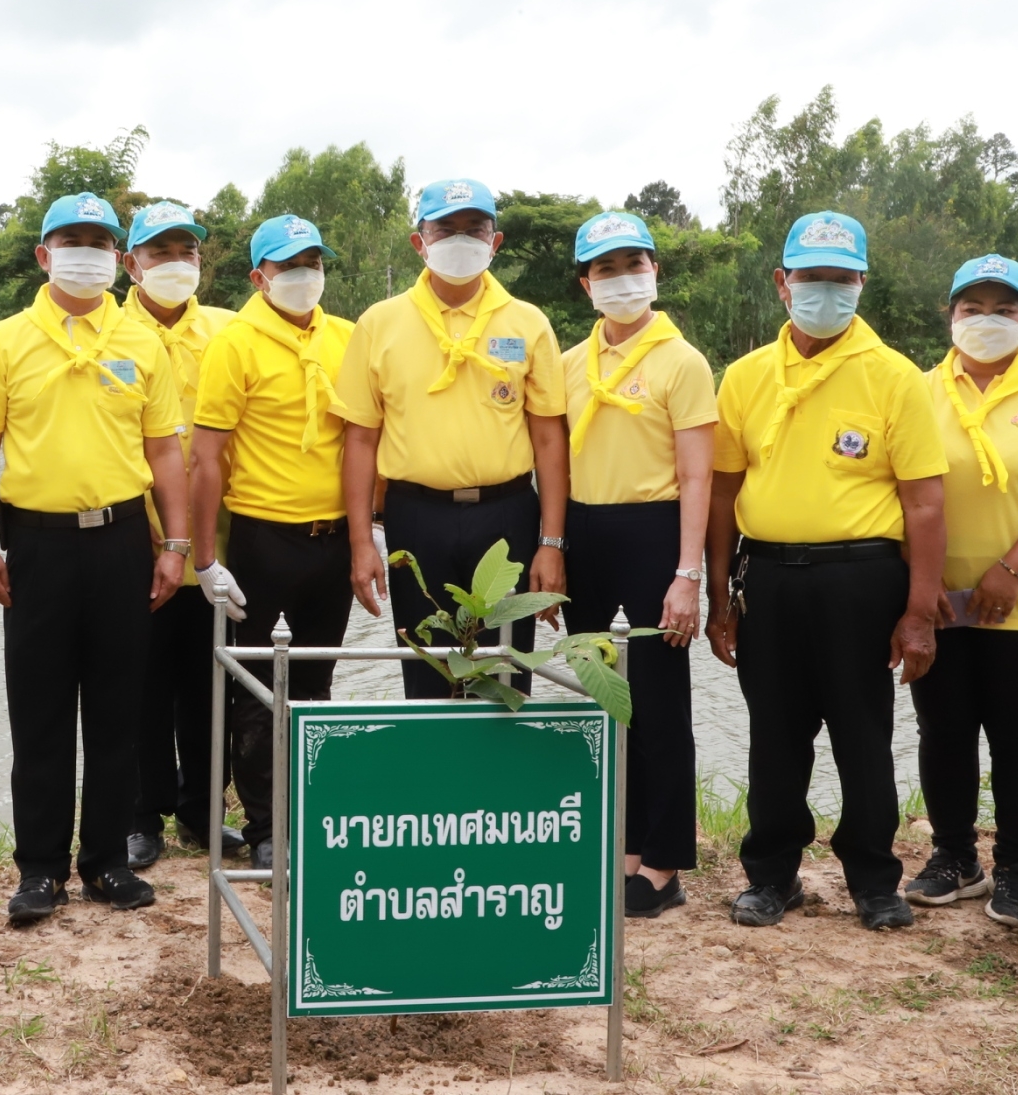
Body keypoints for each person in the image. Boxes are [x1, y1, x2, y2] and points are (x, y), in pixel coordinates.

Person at [704, 210, 947, 932]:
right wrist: (720, 592)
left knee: (862, 732)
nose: (825, 291)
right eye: (811, 277)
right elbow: (721, 490)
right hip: (769, 576)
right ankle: (771, 874)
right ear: (782, 283)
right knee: (774, 733)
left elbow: (925, 503)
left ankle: (874, 878)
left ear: (861, 283)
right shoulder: (746, 376)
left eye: (840, 279)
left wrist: (919, 610)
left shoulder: (894, 377)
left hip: (862, 578)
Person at [0, 191, 190, 922]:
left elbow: (165, 451)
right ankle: (39, 869)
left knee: (119, 710)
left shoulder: (141, 341)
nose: (85, 251)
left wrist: (175, 543)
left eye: (99, 239)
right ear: (43, 253)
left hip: (123, 539)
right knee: (41, 713)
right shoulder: (5, 339)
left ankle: (106, 861)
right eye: (71, 238)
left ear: (121, 257)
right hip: (36, 543)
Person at [904, 254, 1018, 928]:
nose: (987, 320)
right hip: (938, 601)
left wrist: (1009, 570)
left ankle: (1016, 862)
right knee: (944, 728)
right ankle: (955, 855)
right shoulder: (917, 390)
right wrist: (917, 594)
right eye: (972, 307)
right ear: (950, 314)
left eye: (1003, 308)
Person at [335, 179, 569, 696]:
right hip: (415, 520)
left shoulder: (528, 323)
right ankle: (434, 775)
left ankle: (500, 778)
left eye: (474, 228)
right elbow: (359, 441)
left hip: (508, 515)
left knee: (506, 671)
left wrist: (551, 544)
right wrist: (360, 542)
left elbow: (551, 441)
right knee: (427, 672)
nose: (460, 240)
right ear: (419, 241)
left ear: (496, 241)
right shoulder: (379, 323)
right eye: (445, 229)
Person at [559, 210, 716, 920]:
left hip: (655, 531)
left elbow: (696, 476)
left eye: (635, 265)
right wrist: (554, 545)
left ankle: (662, 860)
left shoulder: (681, 361)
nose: (623, 280)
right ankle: (619, 847)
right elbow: (554, 465)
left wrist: (689, 572)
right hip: (585, 533)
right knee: (596, 692)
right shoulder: (568, 363)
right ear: (585, 281)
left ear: (655, 271)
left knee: (658, 699)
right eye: (607, 269)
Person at [193, 215, 356, 870]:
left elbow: (363, 444)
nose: (303, 275)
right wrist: (206, 558)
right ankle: (263, 826)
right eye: (288, 265)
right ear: (260, 276)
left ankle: (309, 812)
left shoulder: (348, 337)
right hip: (264, 536)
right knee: (258, 688)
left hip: (333, 538)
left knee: (316, 683)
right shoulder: (236, 343)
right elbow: (207, 457)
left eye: (313, 261)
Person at [119, 200, 240, 869]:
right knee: (142, 680)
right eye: (159, 252)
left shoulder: (227, 331)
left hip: (214, 538)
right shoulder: (109, 331)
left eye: (186, 252)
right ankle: (144, 814)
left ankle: (202, 808)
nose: (174, 264)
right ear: (131, 263)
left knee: (206, 679)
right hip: (133, 534)